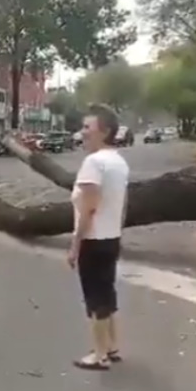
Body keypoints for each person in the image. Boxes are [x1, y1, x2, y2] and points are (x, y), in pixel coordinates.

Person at [68, 104, 130, 371]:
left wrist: (75, 245)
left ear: (104, 132)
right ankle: (112, 346)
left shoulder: (93, 163)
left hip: (94, 240)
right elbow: (123, 204)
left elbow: (88, 208)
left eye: (87, 128)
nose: (82, 133)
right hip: (111, 238)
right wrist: (118, 230)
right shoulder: (118, 161)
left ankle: (99, 354)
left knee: (95, 298)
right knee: (107, 292)